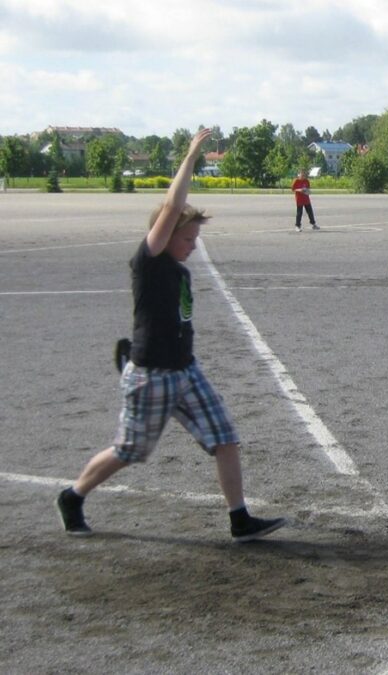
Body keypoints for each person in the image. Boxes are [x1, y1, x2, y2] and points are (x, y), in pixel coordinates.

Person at [55, 128, 287, 542]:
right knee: (130, 450)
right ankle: (72, 496)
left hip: (185, 371)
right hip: (152, 376)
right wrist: (191, 156)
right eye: (188, 238)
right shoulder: (148, 262)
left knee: (225, 437)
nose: (193, 246)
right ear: (165, 235)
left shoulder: (179, 272)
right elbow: (172, 206)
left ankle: (239, 519)